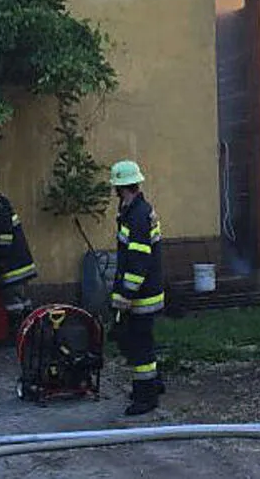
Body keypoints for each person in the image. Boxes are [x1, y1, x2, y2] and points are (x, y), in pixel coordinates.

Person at [109, 160, 166, 416]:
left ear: (121, 188)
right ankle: (152, 385)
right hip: (144, 291)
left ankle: (146, 397)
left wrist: (125, 294)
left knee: (139, 346)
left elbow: (138, 261)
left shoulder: (138, 216)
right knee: (141, 342)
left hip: (140, 296)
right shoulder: (134, 211)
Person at [0, 178, 38, 328]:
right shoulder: (0, 208)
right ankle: (30, 333)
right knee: (23, 299)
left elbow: (5, 237)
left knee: (13, 302)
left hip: (11, 265)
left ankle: (17, 334)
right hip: (19, 262)